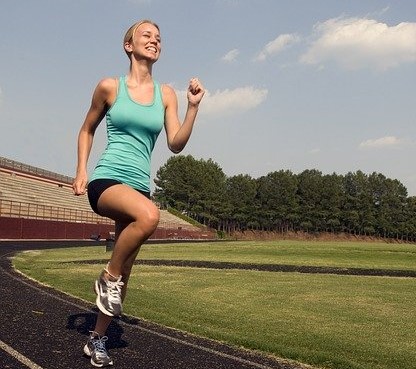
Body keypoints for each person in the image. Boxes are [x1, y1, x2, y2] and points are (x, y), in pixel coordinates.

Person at [72, 19, 205, 367]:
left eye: (159, 38)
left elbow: (175, 143)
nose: (154, 41)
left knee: (126, 269)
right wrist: (82, 169)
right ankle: (107, 277)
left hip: (138, 186)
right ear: (128, 45)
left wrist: (192, 107)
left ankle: (97, 338)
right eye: (146, 35)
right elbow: (86, 130)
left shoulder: (166, 95)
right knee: (149, 216)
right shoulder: (109, 87)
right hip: (106, 180)